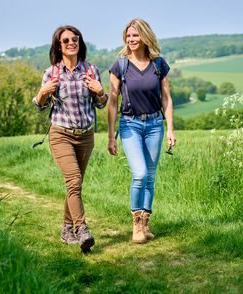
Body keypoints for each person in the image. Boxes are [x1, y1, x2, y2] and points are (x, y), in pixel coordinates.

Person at [33, 25, 108, 253]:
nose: (71, 43)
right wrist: (43, 92)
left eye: (74, 39)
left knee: (74, 185)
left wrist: (100, 91)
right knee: (73, 180)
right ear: (59, 45)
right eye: (66, 40)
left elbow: (101, 103)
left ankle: (66, 229)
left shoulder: (91, 70)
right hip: (61, 135)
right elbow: (39, 105)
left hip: (85, 135)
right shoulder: (52, 73)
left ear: (80, 42)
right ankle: (82, 229)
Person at [107, 18, 176, 243]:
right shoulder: (120, 65)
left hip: (155, 125)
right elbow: (113, 102)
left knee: (150, 177)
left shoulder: (159, 64)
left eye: (135, 35)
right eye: (128, 36)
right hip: (130, 125)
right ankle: (136, 224)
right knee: (139, 174)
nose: (131, 39)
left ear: (144, 37)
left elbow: (166, 98)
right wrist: (110, 135)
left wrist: (170, 129)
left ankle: (145, 224)